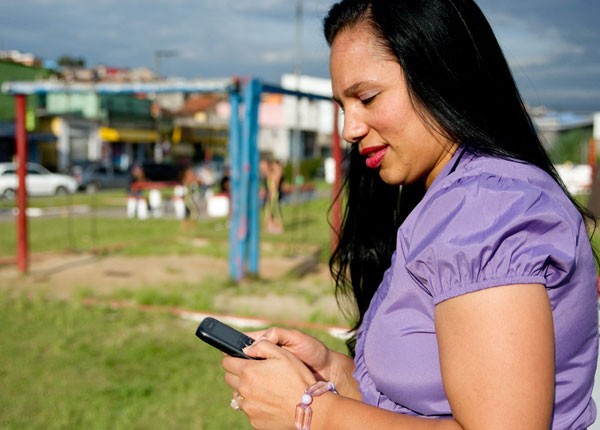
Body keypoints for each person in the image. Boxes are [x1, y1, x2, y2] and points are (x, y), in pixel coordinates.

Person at [221, 1, 599, 429]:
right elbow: (428, 403)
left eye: (367, 97)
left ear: (440, 74)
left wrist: (311, 411)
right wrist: (334, 373)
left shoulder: (483, 210)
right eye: (344, 107)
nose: (350, 129)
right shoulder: (455, 198)